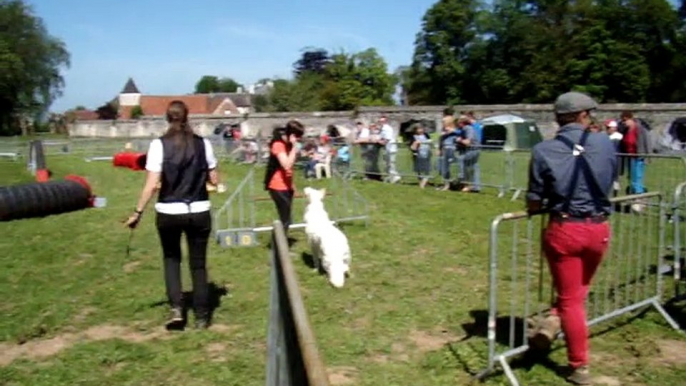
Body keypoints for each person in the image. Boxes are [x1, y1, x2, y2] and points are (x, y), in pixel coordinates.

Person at [527, 91, 617, 385]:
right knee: (577, 292)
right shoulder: (605, 144)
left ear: (558, 118)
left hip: (565, 229)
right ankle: (553, 320)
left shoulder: (543, 150)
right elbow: (611, 180)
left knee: (571, 300)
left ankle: (579, 366)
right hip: (598, 228)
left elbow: (534, 201)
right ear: (582, 115)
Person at [124, 100, 220, 330]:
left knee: (171, 259)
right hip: (198, 209)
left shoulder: (159, 145)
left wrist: (138, 212)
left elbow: (151, 184)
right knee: (198, 264)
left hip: (168, 210)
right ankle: (201, 316)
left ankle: (177, 309)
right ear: (187, 117)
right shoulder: (203, 144)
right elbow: (215, 179)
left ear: (167, 118)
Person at [264, 120, 304, 234]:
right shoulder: (278, 145)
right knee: (285, 219)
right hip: (277, 186)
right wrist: (295, 148)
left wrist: (292, 185)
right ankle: (278, 247)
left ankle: (281, 244)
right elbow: (286, 165)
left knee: (286, 219)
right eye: (298, 137)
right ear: (292, 136)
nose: (299, 140)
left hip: (286, 186)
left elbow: (288, 170)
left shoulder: (288, 145)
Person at [619, 111, 651, 194]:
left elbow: (647, 142)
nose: (624, 123)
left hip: (638, 156)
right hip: (629, 156)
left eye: (625, 120)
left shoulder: (640, 129)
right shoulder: (625, 130)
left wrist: (648, 156)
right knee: (631, 176)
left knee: (637, 175)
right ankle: (634, 191)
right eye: (622, 121)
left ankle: (639, 193)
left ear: (631, 119)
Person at [456, 115, 481, 193]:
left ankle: (464, 181)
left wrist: (459, 140)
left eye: (458, 122)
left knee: (462, 161)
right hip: (476, 150)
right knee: (474, 168)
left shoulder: (467, 128)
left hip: (471, 150)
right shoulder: (470, 128)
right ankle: (475, 187)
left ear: (462, 122)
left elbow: (468, 142)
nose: (457, 124)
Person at [437, 116, 461, 191]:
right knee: (441, 167)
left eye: (443, 122)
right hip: (444, 150)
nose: (442, 123)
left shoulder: (455, 130)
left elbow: (460, 133)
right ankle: (446, 183)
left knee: (451, 168)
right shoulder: (443, 131)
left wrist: (452, 131)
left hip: (452, 150)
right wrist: (439, 148)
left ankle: (451, 184)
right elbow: (441, 139)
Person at [379, 116, 401, 184]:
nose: (381, 123)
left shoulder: (387, 128)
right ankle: (391, 177)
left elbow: (387, 139)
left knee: (391, 163)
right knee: (388, 163)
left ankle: (396, 176)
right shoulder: (383, 128)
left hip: (391, 148)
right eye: (380, 121)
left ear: (386, 121)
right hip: (388, 148)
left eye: (383, 121)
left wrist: (380, 142)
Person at [410, 124, 432, 188]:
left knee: (426, 167)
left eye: (421, 128)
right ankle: (420, 180)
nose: (420, 130)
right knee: (419, 168)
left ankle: (426, 180)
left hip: (426, 153)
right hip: (418, 153)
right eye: (418, 129)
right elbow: (412, 146)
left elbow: (430, 142)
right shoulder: (413, 136)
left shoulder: (426, 135)